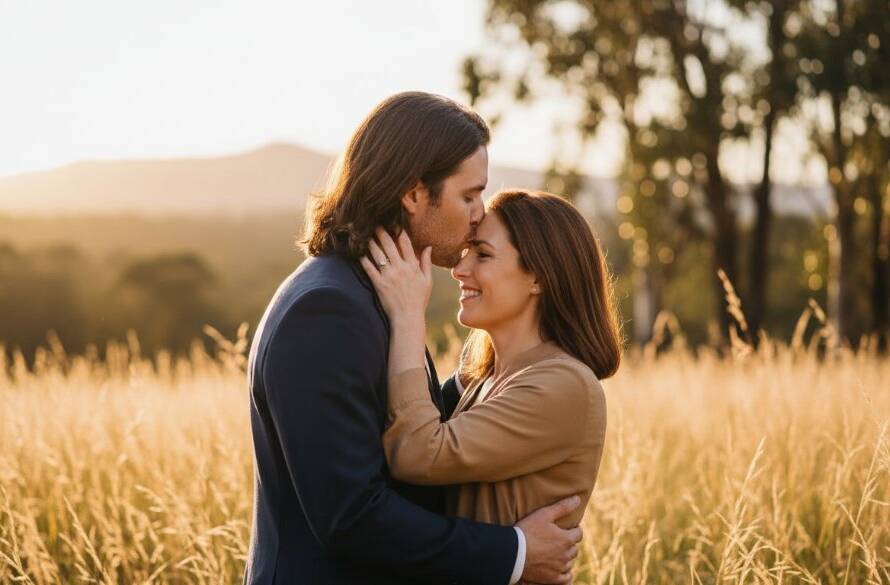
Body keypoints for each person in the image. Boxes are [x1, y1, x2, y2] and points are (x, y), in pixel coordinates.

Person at [244, 93, 582, 585]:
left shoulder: (374, 292)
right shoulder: (328, 310)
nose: (477, 214)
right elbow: (351, 516)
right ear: (413, 194)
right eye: (469, 195)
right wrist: (514, 552)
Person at [360, 190, 621, 553]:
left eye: (483, 254)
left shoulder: (564, 385)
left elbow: (417, 453)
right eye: (467, 252)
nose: (459, 269)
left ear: (538, 278)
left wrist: (407, 318)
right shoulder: (484, 379)